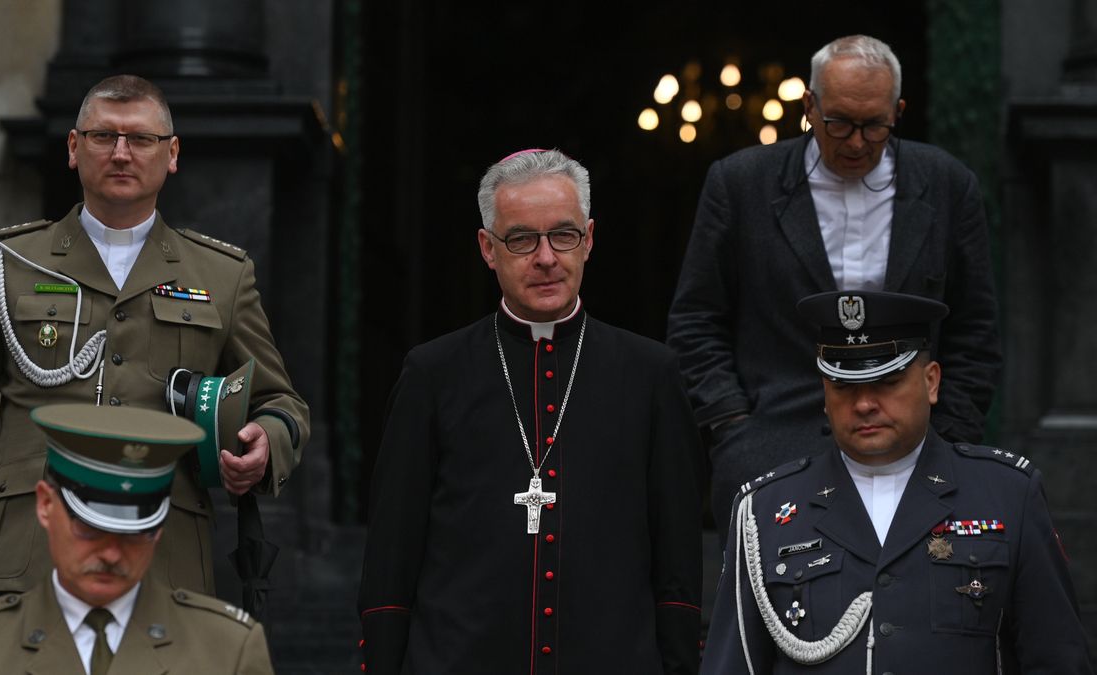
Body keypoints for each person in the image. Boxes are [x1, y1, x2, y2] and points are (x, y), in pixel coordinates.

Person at [0, 74, 309, 605]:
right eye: (102, 136)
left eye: (140, 139)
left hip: (166, 563)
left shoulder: (222, 276)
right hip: (28, 554)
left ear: (172, 153)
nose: (121, 153)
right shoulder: (6, 262)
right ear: (74, 148)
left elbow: (283, 403)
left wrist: (265, 443)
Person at [357, 149, 704, 674]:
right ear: (487, 249)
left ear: (588, 239)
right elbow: (391, 555)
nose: (545, 257)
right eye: (521, 239)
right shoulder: (433, 374)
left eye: (562, 235)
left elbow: (678, 561)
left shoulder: (650, 374)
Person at [666, 35, 1000, 543]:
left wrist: (948, 436)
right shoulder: (740, 184)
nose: (857, 142)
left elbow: (976, 328)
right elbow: (695, 321)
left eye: (875, 126)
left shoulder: (948, 184)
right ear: (809, 106)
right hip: (773, 438)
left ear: (899, 111)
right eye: (839, 122)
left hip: (917, 445)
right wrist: (733, 427)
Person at [702, 290, 1091, 674]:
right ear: (824, 393)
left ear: (932, 382)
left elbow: (1057, 658)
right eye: (845, 386)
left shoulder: (1007, 493)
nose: (865, 403)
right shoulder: (765, 510)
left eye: (887, 382)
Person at [0, 404, 275, 675]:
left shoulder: (229, 650)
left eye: (134, 532)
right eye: (89, 528)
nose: (110, 553)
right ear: (45, 505)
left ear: (159, 527)